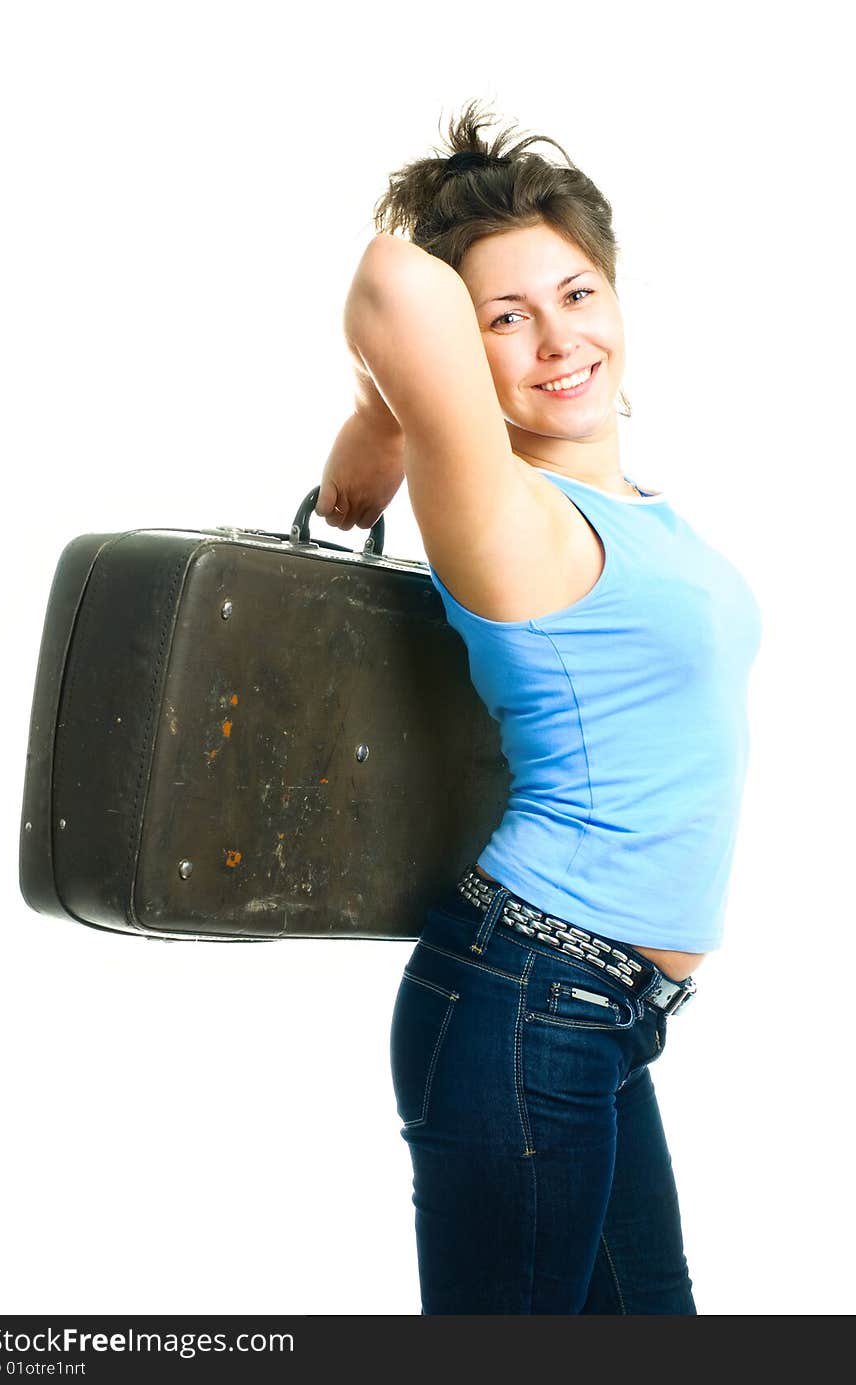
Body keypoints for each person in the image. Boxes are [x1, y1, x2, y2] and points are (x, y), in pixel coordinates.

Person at [315, 99, 762, 1314]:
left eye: (576, 295)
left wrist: (395, 409)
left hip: (595, 1016)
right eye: (503, 318)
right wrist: (383, 418)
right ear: (465, 350)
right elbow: (387, 276)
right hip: (527, 1002)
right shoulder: (499, 507)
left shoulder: (637, 512)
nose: (555, 338)